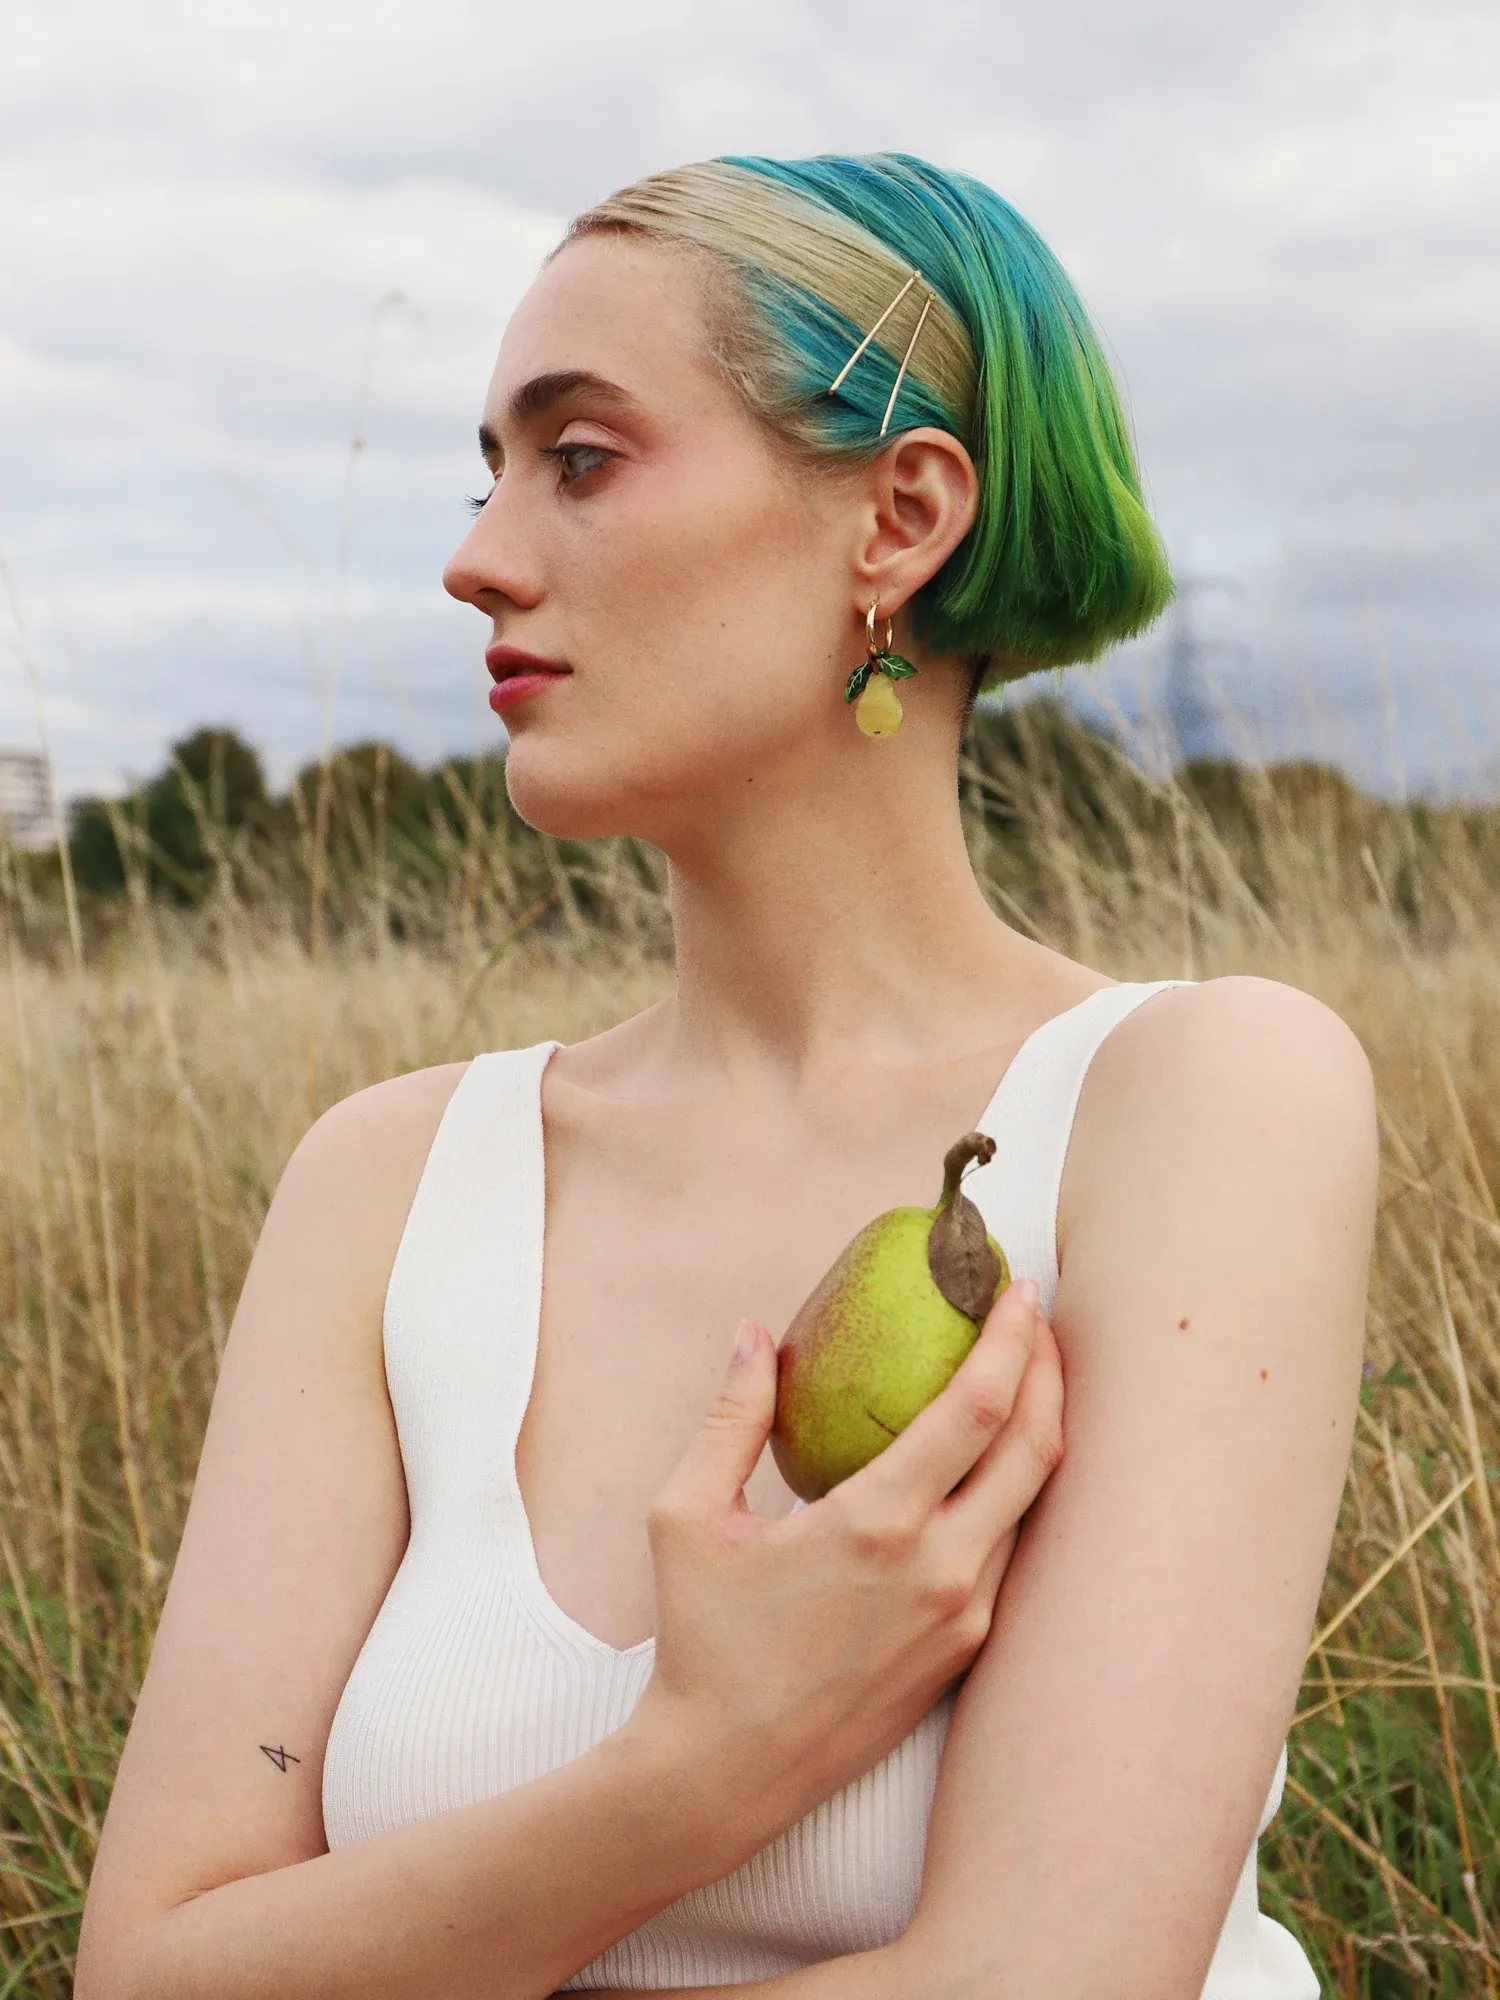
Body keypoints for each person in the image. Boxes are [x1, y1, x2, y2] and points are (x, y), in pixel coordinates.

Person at [75, 153, 1377, 2000]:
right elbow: (148, 1972)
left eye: (581, 458)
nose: (477, 556)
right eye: (487, 471)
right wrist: (705, 1764)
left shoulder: (1197, 1101)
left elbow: (1050, 1975)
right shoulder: (392, 1183)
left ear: (900, 517)